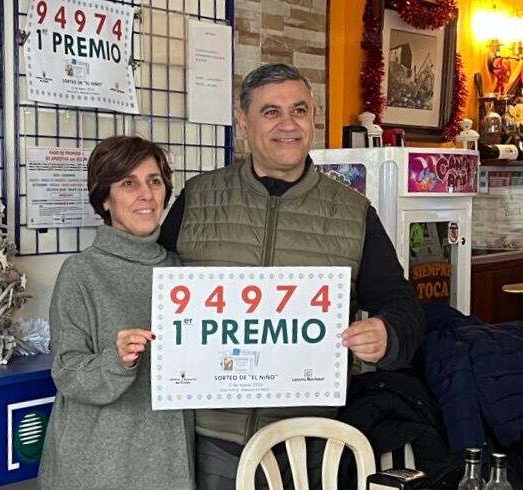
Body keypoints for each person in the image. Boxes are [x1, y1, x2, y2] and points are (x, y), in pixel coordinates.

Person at [159, 63, 424, 488]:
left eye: (299, 110)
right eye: (271, 112)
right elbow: (152, 291)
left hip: (310, 445)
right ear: (243, 121)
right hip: (206, 442)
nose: (288, 124)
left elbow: (402, 305)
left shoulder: (353, 212)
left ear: (314, 117)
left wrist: (386, 334)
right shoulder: (198, 199)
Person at [38, 135, 195, 490]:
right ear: (104, 198)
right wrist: (117, 360)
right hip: (97, 463)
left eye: (154, 181)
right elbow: (67, 372)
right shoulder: (81, 272)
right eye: (128, 183)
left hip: (167, 460)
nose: (146, 194)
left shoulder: (180, 270)